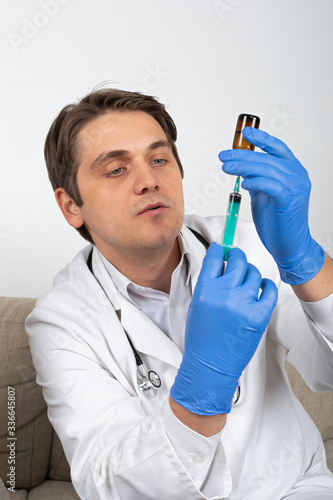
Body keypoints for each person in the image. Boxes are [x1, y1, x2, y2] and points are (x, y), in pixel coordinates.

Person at [26, 87, 333, 500]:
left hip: (294, 489)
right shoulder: (61, 321)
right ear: (70, 206)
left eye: (159, 159)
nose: (149, 180)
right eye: (116, 169)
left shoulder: (250, 242)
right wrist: (205, 381)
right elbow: (110, 484)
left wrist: (305, 259)